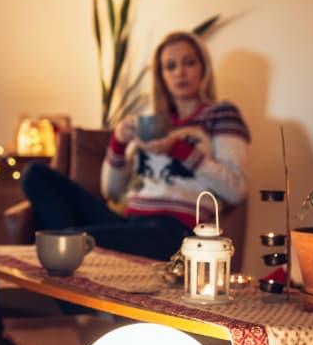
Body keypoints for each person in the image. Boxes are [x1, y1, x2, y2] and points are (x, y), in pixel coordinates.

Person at [22, 31, 249, 261]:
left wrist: (177, 148)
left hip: (174, 230)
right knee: (35, 175)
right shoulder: (151, 122)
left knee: (70, 241)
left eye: (189, 63)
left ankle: (73, 252)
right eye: (170, 66)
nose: (180, 72)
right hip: (129, 223)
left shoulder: (221, 115)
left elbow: (236, 188)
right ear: (161, 75)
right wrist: (118, 143)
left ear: (203, 67)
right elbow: (110, 191)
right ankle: (75, 252)